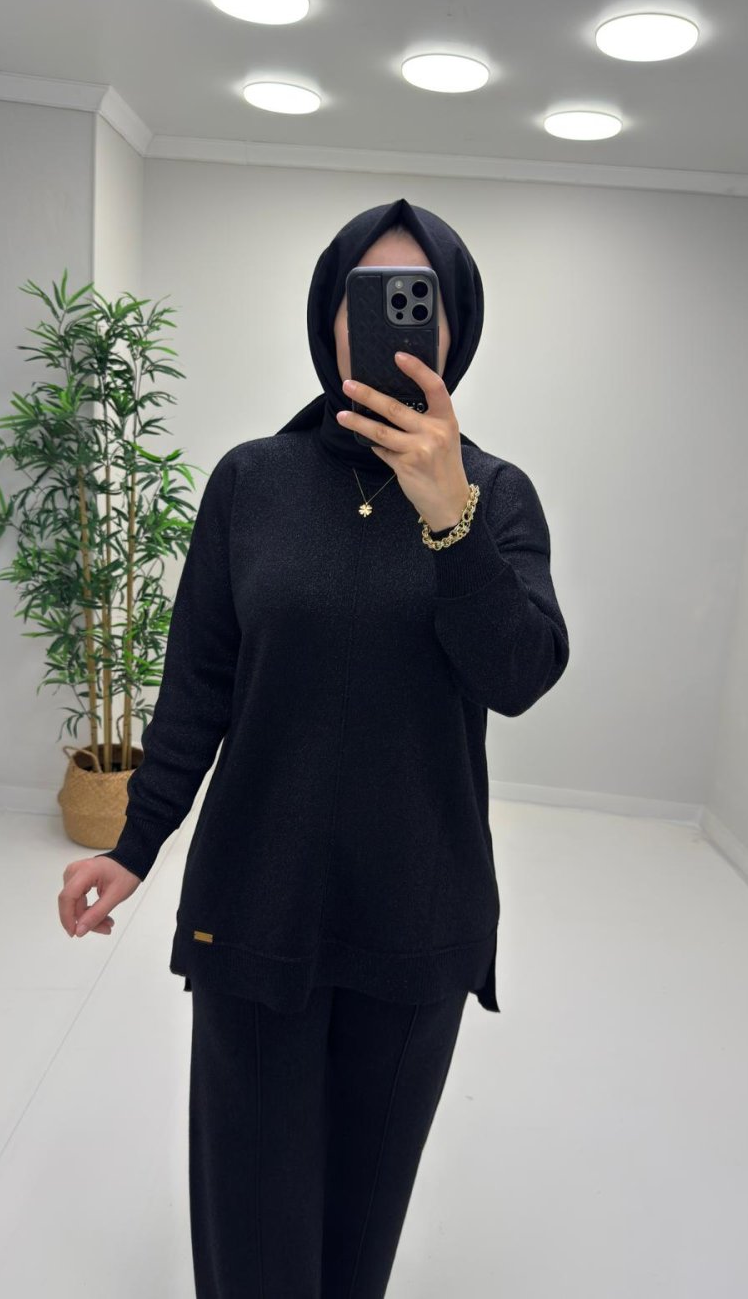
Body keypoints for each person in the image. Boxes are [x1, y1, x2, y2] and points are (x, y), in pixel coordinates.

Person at [58, 197, 570, 1297]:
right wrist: (134, 845)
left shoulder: (497, 496)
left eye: (416, 300)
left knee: (358, 1229)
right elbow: (199, 682)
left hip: (418, 912)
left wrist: (450, 519)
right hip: (256, 899)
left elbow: (521, 674)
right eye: (365, 296)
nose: (388, 320)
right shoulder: (252, 482)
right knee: (250, 1227)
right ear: (328, 318)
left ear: (454, 327)